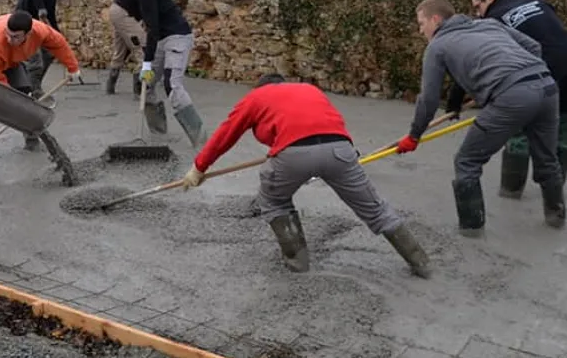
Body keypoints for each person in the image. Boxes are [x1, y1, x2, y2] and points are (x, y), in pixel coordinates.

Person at [179, 74, 432, 277]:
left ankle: (298, 265)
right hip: (341, 151)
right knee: (376, 209)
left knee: (274, 201)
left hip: (293, 156)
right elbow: (329, 121)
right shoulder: (309, 90)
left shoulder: (256, 97)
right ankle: (420, 262)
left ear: (261, 87)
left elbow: (226, 133)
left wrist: (199, 167)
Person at [396, 0, 565, 237]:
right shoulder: (489, 24)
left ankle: (472, 233)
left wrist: (414, 136)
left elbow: (428, 99)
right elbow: (534, 48)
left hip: (512, 97)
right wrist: (459, 103)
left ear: (435, 19)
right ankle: (556, 221)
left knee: (466, 162)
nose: (420, 30)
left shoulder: (438, 46)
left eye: (421, 23)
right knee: (547, 160)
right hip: (547, 87)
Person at [468, 0, 567, 197]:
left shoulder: (494, 21)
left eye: (478, 7)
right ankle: (554, 196)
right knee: (563, 133)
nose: (478, 14)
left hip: (541, 73)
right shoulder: (534, 0)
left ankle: (511, 191)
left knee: (519, 133)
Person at [115, 0, 206, 148]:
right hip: (161, 38)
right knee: (144, 84)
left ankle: (201, 140)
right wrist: (146, 66)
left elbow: (152, 28)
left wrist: (147, 62)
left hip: (178, 37)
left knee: (172, 85)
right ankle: (159, 135)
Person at [0, 10, 82, 156]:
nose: (10, 40)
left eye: (15, 37)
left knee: (26, 96)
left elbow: (59, 44)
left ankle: (32, 143)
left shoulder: (40, 31)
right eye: (8, 34)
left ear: (28, 34)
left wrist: (73, 68)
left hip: (11, 62)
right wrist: (9, 104)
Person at [104, 0, 192, 97]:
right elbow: (152, 19)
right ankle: (140, 88)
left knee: (121, 49)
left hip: (118, 10)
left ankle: (110, 87)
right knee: (144, 46)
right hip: (125, 13)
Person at [15, 0, 74, 101]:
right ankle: (30, 92)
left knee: (49, 53)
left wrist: (59, 37)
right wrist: (41, 8)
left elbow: (51, 18)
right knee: (36, 61)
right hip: (23, 26)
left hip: (37, 30)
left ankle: (34, 86)